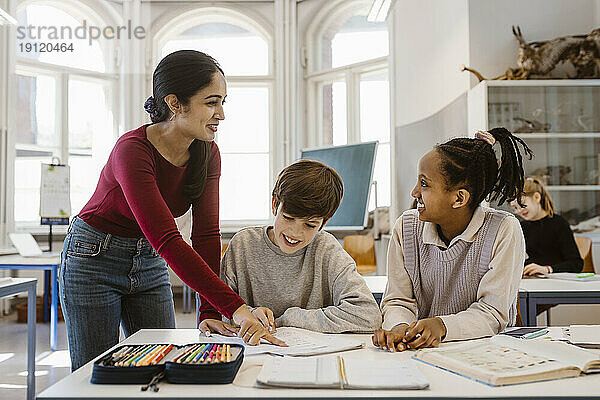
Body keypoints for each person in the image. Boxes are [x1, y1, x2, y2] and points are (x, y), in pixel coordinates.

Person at [59, 50, 282, 371]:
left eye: (223, 102)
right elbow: (168, 239)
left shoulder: (208, 153)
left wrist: (209, 312)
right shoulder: (132, 150)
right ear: (175, 103)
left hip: (148, 261)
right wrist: (236, 307)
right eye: (211, 102)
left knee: (162, 366)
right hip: (94, 260)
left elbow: (206, 235)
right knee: (97, 374)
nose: (222, 114)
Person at [373, 128, 532, 352]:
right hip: (425, 352)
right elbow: (398, 299)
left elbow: (493, 312)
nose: (414, 192)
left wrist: (442, 326)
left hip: (485, 353)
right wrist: (400, 328)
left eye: (424, 184)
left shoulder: (503, 229)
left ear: (459, 198)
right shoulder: (406, 227)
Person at [200, 160, 382, 335]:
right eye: (288, 217)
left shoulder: (327, 249)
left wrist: (290, 319)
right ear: (274, 205)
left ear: (323, 223)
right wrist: (247, 314)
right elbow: (217, 313)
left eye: (310, 225)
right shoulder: (243, 245)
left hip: (312, 356)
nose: (295, 232)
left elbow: (369, 315)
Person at [510, 177, 583, 276]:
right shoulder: (522, 227)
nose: (519, 211)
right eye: (515, 208)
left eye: (522, 204)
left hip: (557, 280)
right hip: (535, 280)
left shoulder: (559, 223)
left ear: (536, 197)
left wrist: (548, 269)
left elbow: (576, 264)